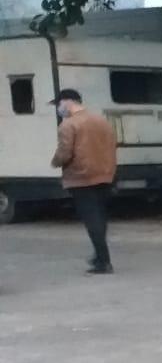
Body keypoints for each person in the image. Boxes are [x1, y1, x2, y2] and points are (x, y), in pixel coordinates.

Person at [50, 89, 118, 275]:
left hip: (81, 177)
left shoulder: (68, 125)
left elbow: (65, 152)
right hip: (105, 174)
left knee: (91, 218)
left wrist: (54, 162)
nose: (58, 108)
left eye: (58, 104)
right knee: (100, 216)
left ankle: (103, 261)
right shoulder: (101, 120)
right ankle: (99, 256)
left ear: (67, 101)